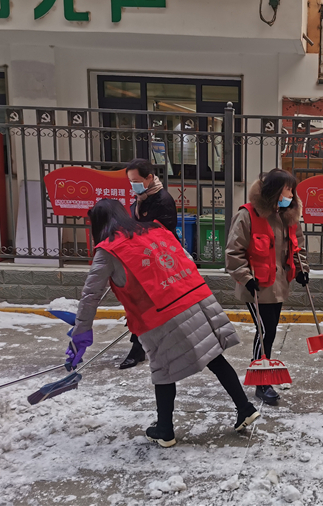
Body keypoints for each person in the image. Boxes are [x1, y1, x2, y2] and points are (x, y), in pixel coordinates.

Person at [67, 199, 260, 448]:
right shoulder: (155, 229)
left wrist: (80, 335)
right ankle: (245, 408)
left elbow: (90, 296)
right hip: (194, 299)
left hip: (160, 315)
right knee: (215, 356)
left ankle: (165, 430)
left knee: (163, 371)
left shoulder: (108, 250)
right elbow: (182, 259)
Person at [225, 169, 309, 406]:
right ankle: (262, 382)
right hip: (256, 288)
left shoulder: (288, 216)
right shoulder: (247, 216)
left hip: (278, 286)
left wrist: (303, 270)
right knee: (265, 332)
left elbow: (297, 247)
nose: (291, 195)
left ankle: (263, 375)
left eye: (293, 190)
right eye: (287, 189)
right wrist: (245, 276)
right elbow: (234, 252)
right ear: (274, 191)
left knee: (269, 331)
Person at [121, 158, 179, 370]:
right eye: (130, 181)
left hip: (158, 260)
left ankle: (140, 349)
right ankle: (139, 347)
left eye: (136, 180)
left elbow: (163, 233)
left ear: (149, 178)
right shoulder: (141, 197)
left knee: (150, 306)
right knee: (140, 306)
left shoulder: (162, 200)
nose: (133, 185)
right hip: (142, 258)